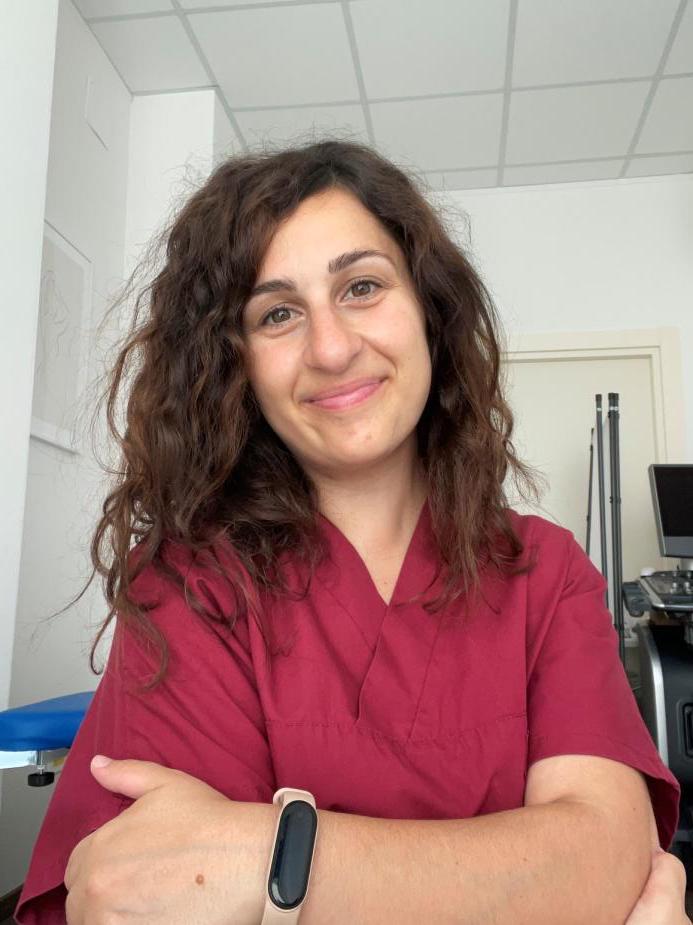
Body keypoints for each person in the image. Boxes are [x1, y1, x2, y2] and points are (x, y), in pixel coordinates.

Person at [14, 139, 688, 924]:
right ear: (235, 366)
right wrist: (534, 879)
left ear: (429, 312)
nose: (331, 348)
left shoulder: (544, 571)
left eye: (361, 286)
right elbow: (156, 890)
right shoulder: (190, 584)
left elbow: (605, 860)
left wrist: (271, 861)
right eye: (277, 313)